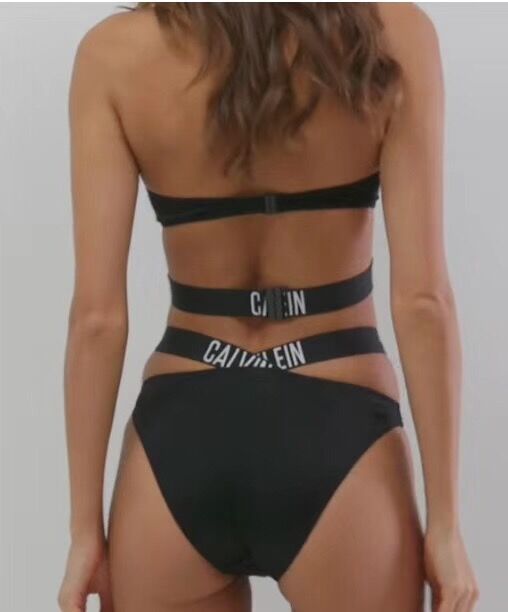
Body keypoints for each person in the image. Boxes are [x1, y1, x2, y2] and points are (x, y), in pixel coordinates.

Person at [58, 3, 478, 611]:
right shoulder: (394, 32)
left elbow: (96, 319)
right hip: (340, 428)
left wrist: (83, 531)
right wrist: (445, 523)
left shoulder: (114, 55)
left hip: (181, 436)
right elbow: (423, 302)